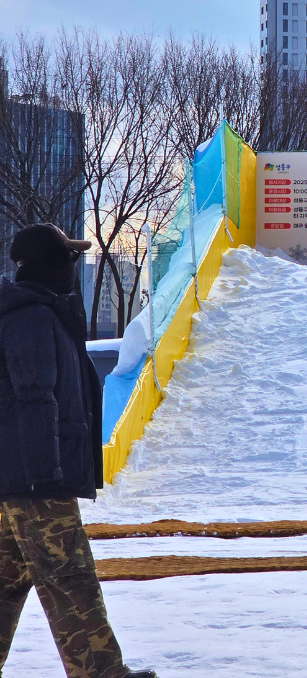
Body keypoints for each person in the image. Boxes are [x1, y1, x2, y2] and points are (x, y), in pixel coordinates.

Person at [0, 224, 157, 678]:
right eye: (68, 257)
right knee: (69, 578)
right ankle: (100, 672)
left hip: (20, 474)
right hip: (34, 478)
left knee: (6, 579)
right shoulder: (32, 318)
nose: (73, 266)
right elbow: (34, 398)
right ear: (49, 264)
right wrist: (44, 474)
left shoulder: (37, 314)